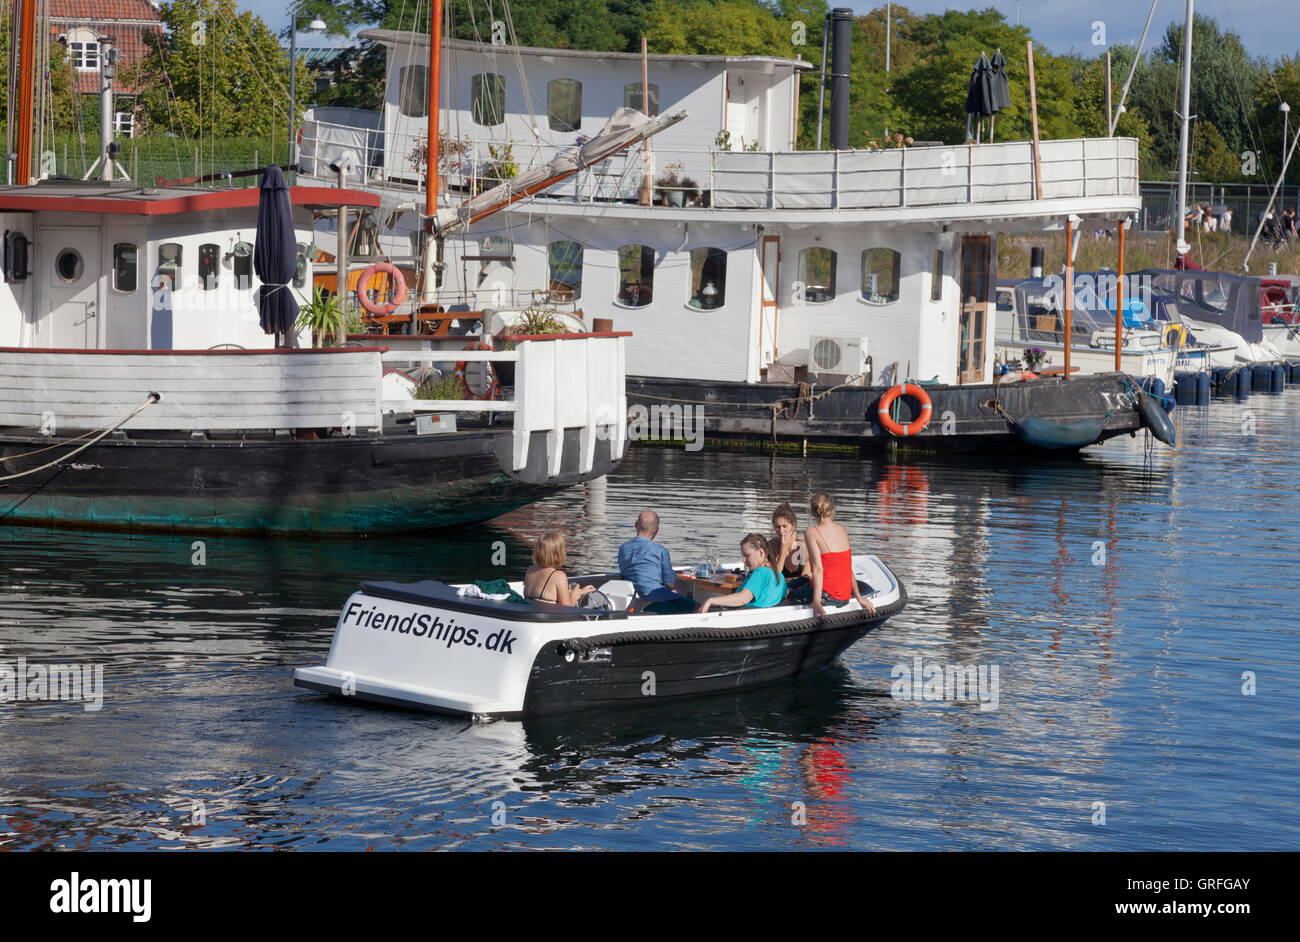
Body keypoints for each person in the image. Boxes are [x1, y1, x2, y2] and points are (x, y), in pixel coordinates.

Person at [804, 493, 875, 619]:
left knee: (789, 591)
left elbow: (818, 569)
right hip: (844, 596)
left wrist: (817, 602)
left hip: (826, 595)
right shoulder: (842, 529)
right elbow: (847, 567)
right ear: (832, 510)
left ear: (813, 513)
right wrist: (859, 597)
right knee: (800, 581)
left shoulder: (811, 532)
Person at [698, 534, 786, 612]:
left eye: (747, 555)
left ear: (760, 553)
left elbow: (743, 598)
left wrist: (711, 600)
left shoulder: (760, 572)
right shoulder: (780, 577)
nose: (743, 560)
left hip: (741, 617)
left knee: (689, 604)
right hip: (761, 620)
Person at [617, 509, 687, 605]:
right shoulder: (661, 551)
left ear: (636, 525)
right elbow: (670, 583)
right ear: (657, 530)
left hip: (632, 599)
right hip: (655, 599)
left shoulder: (623, 548)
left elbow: (625, 571)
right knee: (696, 605)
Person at [524, 530, 594, 606]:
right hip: (550, 617)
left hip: (532, 614)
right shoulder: (558, 576)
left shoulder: (530, 570)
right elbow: (566, 611)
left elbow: (547, 593)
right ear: (558, 553)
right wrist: (574, 597)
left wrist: (578, 592)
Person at [772, 503, 811, 581]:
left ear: (793, 526)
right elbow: (773, 578)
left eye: (784, 526)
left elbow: (805, 577)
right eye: (777, 527)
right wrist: (783, 551)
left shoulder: (802, 547)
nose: (781, 531)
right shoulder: (772, 546)